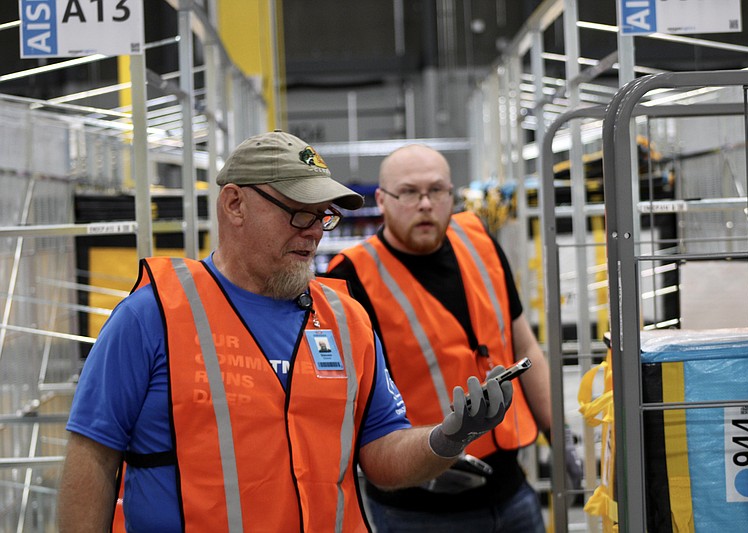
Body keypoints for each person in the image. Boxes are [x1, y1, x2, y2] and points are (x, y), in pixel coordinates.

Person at [57, 131, 517, 533]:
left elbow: (380, 451)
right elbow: (92, 457)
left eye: (324, 216)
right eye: (299, 213)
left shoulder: (346, 318)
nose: (315, 232)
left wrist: (446, 438)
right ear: (235, 204)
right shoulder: (152, 316)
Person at [327, 144, 573, 533]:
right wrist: (422, 466)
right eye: (409, 192)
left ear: (451, 194)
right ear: (382, 200)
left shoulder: (480, 241)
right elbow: (344, 399)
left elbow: (523, 346)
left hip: (511, 493)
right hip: (417, 508)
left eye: (437, 191)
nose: (425, 204)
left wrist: (558, 435)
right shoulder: (349, 277)